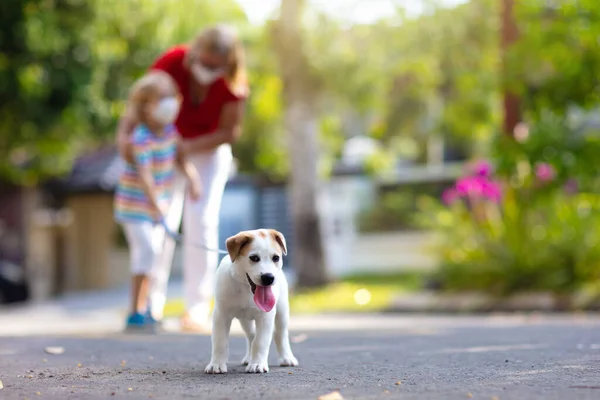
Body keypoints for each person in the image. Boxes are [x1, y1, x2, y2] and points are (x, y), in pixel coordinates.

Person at [115, 24, 249, 332]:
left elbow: (229, 132)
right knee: (161, 222)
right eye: (204, 62)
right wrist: (124, 135)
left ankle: (197, 309)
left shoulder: (234, 82)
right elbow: (140, 100)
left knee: (201, 223)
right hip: (165, 149)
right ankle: (150, 305)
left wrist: (187, 149)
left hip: (205, 151)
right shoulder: (172, 62)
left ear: (227, 63)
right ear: (194, 52)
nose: (208, 70)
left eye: (216, 66)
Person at [114, 72, 201, 332]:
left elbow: (180, 158)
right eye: (159, 99)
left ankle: (144, 309)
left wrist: (193, 179)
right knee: (149, 251)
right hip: (134, 207)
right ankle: (136, 310)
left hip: (154, 207)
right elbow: (145, 175)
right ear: (144, 107)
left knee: (150, 255)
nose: (168, 103)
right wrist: (157, 204)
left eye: (169, 97)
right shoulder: (140, 137)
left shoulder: (170, 132)